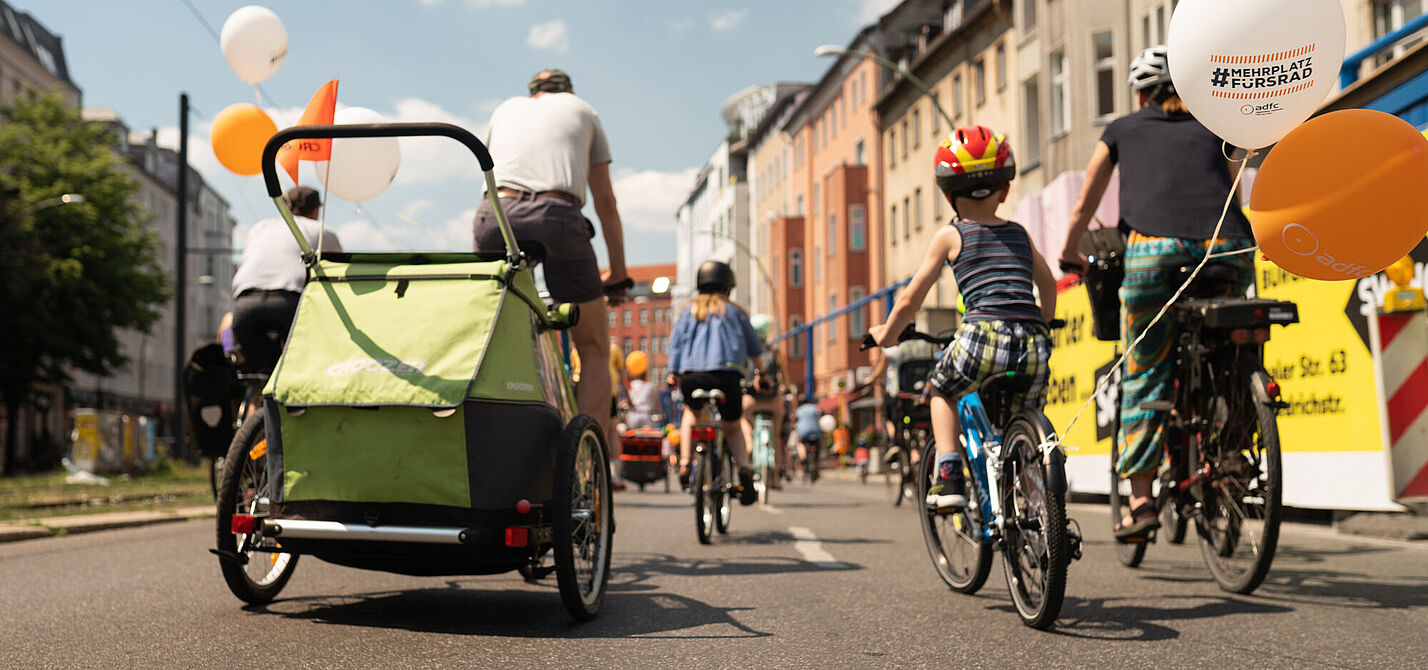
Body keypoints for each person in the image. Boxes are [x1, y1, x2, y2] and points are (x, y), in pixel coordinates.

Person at [1059, 46, 1255, 541]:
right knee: (1236, 345)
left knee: (1145, 373)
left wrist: (1069, 251)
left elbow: (1085, 200)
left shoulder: (1122, 128)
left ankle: (1141, 503)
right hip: (1228, 247)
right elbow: (1235, 192)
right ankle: (1234, 445)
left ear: (1140, 94)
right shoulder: (1216, 124)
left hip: (1155, 251)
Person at [868, 125, 1056, 510]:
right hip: (1033, 344)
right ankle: (1041, 513)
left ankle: (949, 475)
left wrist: (887, 334)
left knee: (940, 388)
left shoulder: (952, 236)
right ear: (1004, 190)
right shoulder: (1019, 234)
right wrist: (1045, 323)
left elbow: (912, 297)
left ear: (947, 194)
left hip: (981, 335)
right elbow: (1048, 284)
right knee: (1024, 422)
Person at [474, 67, 630, 451]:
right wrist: (618, 274)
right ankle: (585, 457)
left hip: (495, 216)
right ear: (568, 91)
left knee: (488, 333)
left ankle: (489, 433)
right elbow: (606, 203)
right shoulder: (583, 110)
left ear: (533, 93)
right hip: (557, 215)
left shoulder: (505, 109)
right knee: (593, 348)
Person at [666, 260, 764, 505]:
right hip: (727, 376)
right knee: (732, 427)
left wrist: (673, 372)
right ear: (728, 286)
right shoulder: (736, 312)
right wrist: (763, 374)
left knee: (691, 413)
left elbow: (676, 345)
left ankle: (685, 463)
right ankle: (744, 471)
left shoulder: (688, 311)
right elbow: (754, 348)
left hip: (692, 376)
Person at [230, 186, 342, 375]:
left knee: (257, 370)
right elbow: (337, 274)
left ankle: (256, 390)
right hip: (289, 301)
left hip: (246, 304)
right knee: (304, 362)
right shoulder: (322, 232)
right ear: (315, 211)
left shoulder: (260, 227)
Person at [740, 314, 789, 487]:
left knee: (744, 419)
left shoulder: (746, 351)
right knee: (775, 436)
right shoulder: (775, 351)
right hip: (772, 399)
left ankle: (749, 444)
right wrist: (786, 387)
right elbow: (784, 375)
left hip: (751, 399)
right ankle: (774, 479)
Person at [624, 350, 660, 430]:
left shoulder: (629, 386)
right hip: (646, 417)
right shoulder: (650, 386)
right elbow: (656, 405)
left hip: (632, 418)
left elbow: (627, 401)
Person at [793, 397, 822, 481]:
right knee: (817, 448)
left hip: (803, 431)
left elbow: (795, 419)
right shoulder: (814, 407)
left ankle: (803, 457)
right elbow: (820, 415)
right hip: (815, 431)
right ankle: (816, 465)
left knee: (800, 443)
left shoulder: (799, 409)